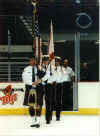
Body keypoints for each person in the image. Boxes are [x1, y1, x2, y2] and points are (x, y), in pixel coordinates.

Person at [22, 56, 44, 128]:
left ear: (36, 61)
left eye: (34, 60)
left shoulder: (40, 68)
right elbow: (24, 79)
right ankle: (33, 120)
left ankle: (37, 121)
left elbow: (46, 77)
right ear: (29, 61)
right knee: (31, 105)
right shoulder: (26, 69)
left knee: (38, 105)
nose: (33, 62)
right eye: (31, 60)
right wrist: (33, 83)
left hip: (39, 88)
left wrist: (41, 80)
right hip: (30, 87)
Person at [53, 56, 63, 121]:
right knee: (51, 100)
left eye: (57, 61)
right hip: (52, 85)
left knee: (58, 101)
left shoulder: (62, 69)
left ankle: (58, 116)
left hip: (59, 85)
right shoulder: (52, 68)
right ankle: (50, 115)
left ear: (59, 62)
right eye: (55, 61)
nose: (56, 62)